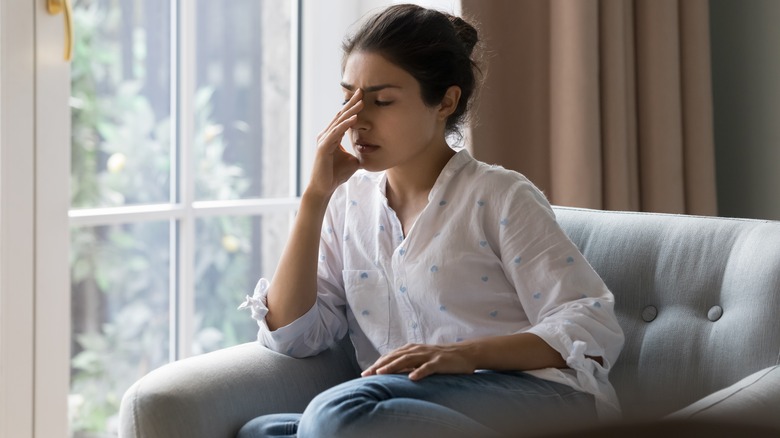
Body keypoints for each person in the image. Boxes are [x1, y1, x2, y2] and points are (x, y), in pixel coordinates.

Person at [238, 4, 624, 437]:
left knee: (337, 416)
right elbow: (293, 336)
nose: (356, 120)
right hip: (413, 406)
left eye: (381, 101)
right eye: (348, 98)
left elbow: (590, 325)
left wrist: (467, 355)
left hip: (537, 398)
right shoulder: (347, 206)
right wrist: (315, 198)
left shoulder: (499, 196)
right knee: (261, 432)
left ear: (445, 101)